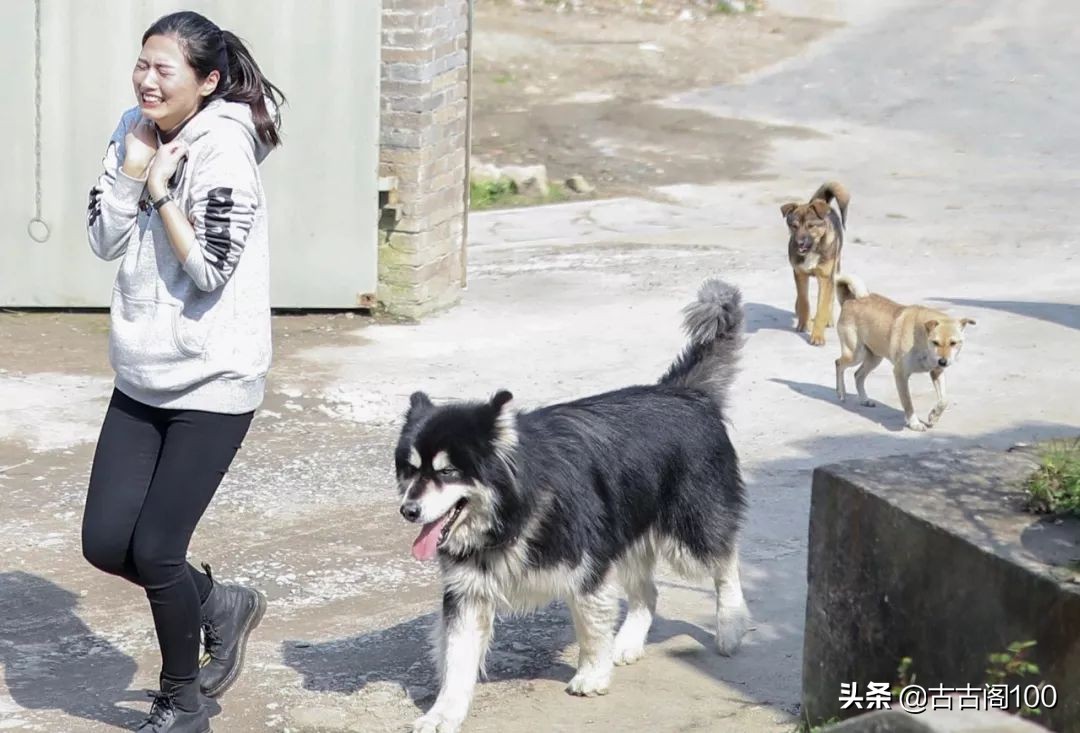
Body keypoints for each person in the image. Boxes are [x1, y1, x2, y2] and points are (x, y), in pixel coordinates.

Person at [82, 10, 285, 733]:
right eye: (143, 64)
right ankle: (221, 603)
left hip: (213, 382)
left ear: (207, 81)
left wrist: (164, 192)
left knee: (157, 549)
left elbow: (208, 271)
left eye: (164, 70)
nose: (146, 79)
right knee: (106, 543)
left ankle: (182, 700)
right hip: (140, 374)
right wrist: (135, 167)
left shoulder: (224, 150)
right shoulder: (129, 128)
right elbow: (103, 236)